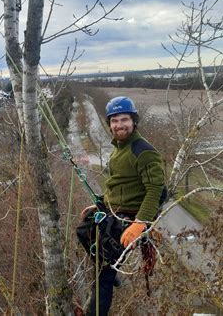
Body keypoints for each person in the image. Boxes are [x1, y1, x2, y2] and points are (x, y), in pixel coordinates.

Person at [78, 96, 166, 316]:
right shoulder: (119, 148)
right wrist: (100, 204)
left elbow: (155, 190)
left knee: (102, 276)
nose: (119, 125)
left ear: (134, 121)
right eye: (114, 120)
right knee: (83, 231)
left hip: (130, 217)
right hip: (114, 210)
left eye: (124, 119)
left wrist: (139, 224)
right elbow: (119, 184)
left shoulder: (143, 150)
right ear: (109, 124)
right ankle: (112, 269)